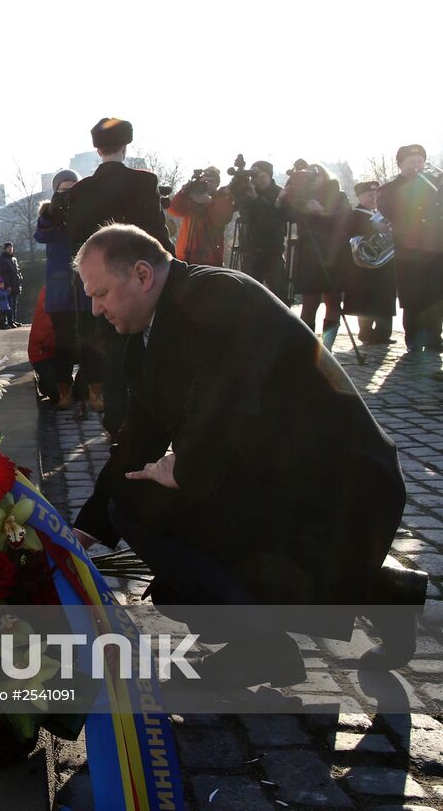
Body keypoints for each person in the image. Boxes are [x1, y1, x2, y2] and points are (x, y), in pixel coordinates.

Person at [70, 224, 424, 684]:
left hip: (337, 487)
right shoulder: (148, 335)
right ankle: (380, 593)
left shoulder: (216, 294)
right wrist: (83, 531)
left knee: (146, 511)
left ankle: (263, 649)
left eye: (101, 294)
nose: (96, 309)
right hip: (274, 483)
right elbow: (139, 438)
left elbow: (227, 393)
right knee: (146, 523)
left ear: (141, 275)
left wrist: (185, 469)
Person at [65, 117, 173, 429]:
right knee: (146, 350)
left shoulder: (81, 190)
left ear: (97, 148)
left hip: (100, 286)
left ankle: (116, 422)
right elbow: (157, 236)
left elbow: (77, 243)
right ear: (126, 145)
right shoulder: (143, 183)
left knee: (110, 353)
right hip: (141, 281)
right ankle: (146, 421)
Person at [35, 168, 99, 409]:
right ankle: (64, 391)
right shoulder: (49, 216)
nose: (69, 194)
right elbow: (41, 235)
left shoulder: (88, 213)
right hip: (60, 293)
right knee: (62, 344)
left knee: (92, 342)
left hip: (87, 289)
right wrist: (53, 211)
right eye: (63, 190)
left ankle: (94, 390)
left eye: (73, 189)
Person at [378, 143, 443, 360]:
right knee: (412, 296)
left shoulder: (435, 184)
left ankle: (435, 337)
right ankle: (413, 339)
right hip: (408, 252)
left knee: (435, 295)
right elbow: (389, 210)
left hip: (435, 249)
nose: (417, 166)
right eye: (411, 162)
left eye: (420, 162)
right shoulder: (389, 189)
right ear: (400, 165)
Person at [280, 162, 352, 349]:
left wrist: (323, 212)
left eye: (316, 174)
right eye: (308, 175)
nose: (313, 178)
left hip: (334, 255)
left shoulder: (339, 196)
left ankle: (327, 348)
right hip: (310, 256)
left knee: (333, 302)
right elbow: (286, 218)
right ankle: (307, 347)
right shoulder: (302, 198)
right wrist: (283, 199)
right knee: (309, 303)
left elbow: (348, 221)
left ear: (326, 176)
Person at [344, 180, 397, 346]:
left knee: (385, 299)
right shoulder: (354, 215)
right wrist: (372, 226)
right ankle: (365, 332)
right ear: (359, 196)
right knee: (365, 300)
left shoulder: (382, 214)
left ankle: (383, 333)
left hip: (385, 265)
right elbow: (350, 235)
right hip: (364, 269)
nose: (373, 197)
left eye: (375, 194)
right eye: (369, 194)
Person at [231, 160, 288, 301]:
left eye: (263, 177)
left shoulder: (279, 193)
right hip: (250, 249)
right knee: (248, 296)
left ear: (270, 177)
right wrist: (238, 184)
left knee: (279, 296)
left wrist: (256, 199)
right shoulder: (248, 190)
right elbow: (241, 209)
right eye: (256, 177)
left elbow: (274, 217)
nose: (259, 181)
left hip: (272, 251)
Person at [168, 167, 235, 265]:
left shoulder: (221, 198)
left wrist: (209, 202)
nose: (207, 183)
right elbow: (173, 210)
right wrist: (183, 193)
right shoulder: (191, 196)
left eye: (211, 181)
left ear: (217, 184)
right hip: (186, 256)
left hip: (211, 258)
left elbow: (223, 219)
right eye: (205, 180)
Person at [28, 288, 60, 403]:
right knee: (56, 394)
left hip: (56, 350)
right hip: (42, 352)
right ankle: (46, 382)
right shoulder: (49, 293)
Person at [0, 243, 23, 326]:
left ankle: (14, 320)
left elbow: (17, 270)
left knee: (14, 304)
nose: (10, 249)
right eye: (8, 248)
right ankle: (10, 321)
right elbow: (4, 274)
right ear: (5, 249)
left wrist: (20, 279)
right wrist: (7, 285)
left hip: (16, 284)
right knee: (9, 304)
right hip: (9, 285)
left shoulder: (14, 259)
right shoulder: (3, 259)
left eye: (11, 247)